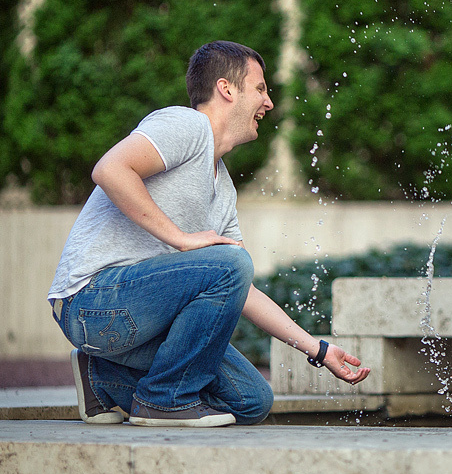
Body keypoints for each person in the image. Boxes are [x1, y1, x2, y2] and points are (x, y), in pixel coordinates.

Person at [48, 41, 369, 427]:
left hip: (138, 323)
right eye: (261, 89)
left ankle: (101, 374)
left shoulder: (224, 190)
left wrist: (319, 349)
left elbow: (241, 287)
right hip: (92, 301)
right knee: (232, 262)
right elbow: (110, 169)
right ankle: (162, 401)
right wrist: (181, 238)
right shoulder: (187, 125)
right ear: (227, 89)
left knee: (253, 400)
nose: (268, 104)